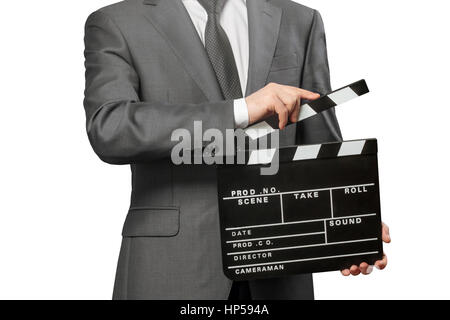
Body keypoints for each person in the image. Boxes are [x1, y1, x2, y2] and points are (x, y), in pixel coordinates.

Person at [83, 0, 389, 300]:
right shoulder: (117, 22)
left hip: (279, 263)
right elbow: (110, 128)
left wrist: (351, 223)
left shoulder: (300, 19)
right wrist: (241, 110)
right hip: (171, 266)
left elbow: (319, 141)